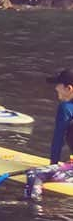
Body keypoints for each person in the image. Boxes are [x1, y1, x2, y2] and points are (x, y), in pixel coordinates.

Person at [22, 69, 73, 201]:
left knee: (34, 175)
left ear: (69, 88)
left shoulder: (65, 108)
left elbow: (58, 141)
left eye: (58, 85)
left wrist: (52, 167)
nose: (56, 88)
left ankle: (33, 207)